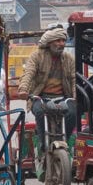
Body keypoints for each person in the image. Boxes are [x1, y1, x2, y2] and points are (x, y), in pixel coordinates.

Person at [17, 26, 76, 160]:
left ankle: (68, 141)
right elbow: (29, 74)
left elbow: (74, 78)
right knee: (39, 111)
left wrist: (75, 95)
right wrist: (23, 90)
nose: (61, 44)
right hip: (40, 97)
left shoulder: (68, 58)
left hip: (63, 98)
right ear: (50, 42)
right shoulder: (37, 56)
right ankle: (42, 145)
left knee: (73, 112)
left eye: (63, 41)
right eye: (58, 40)